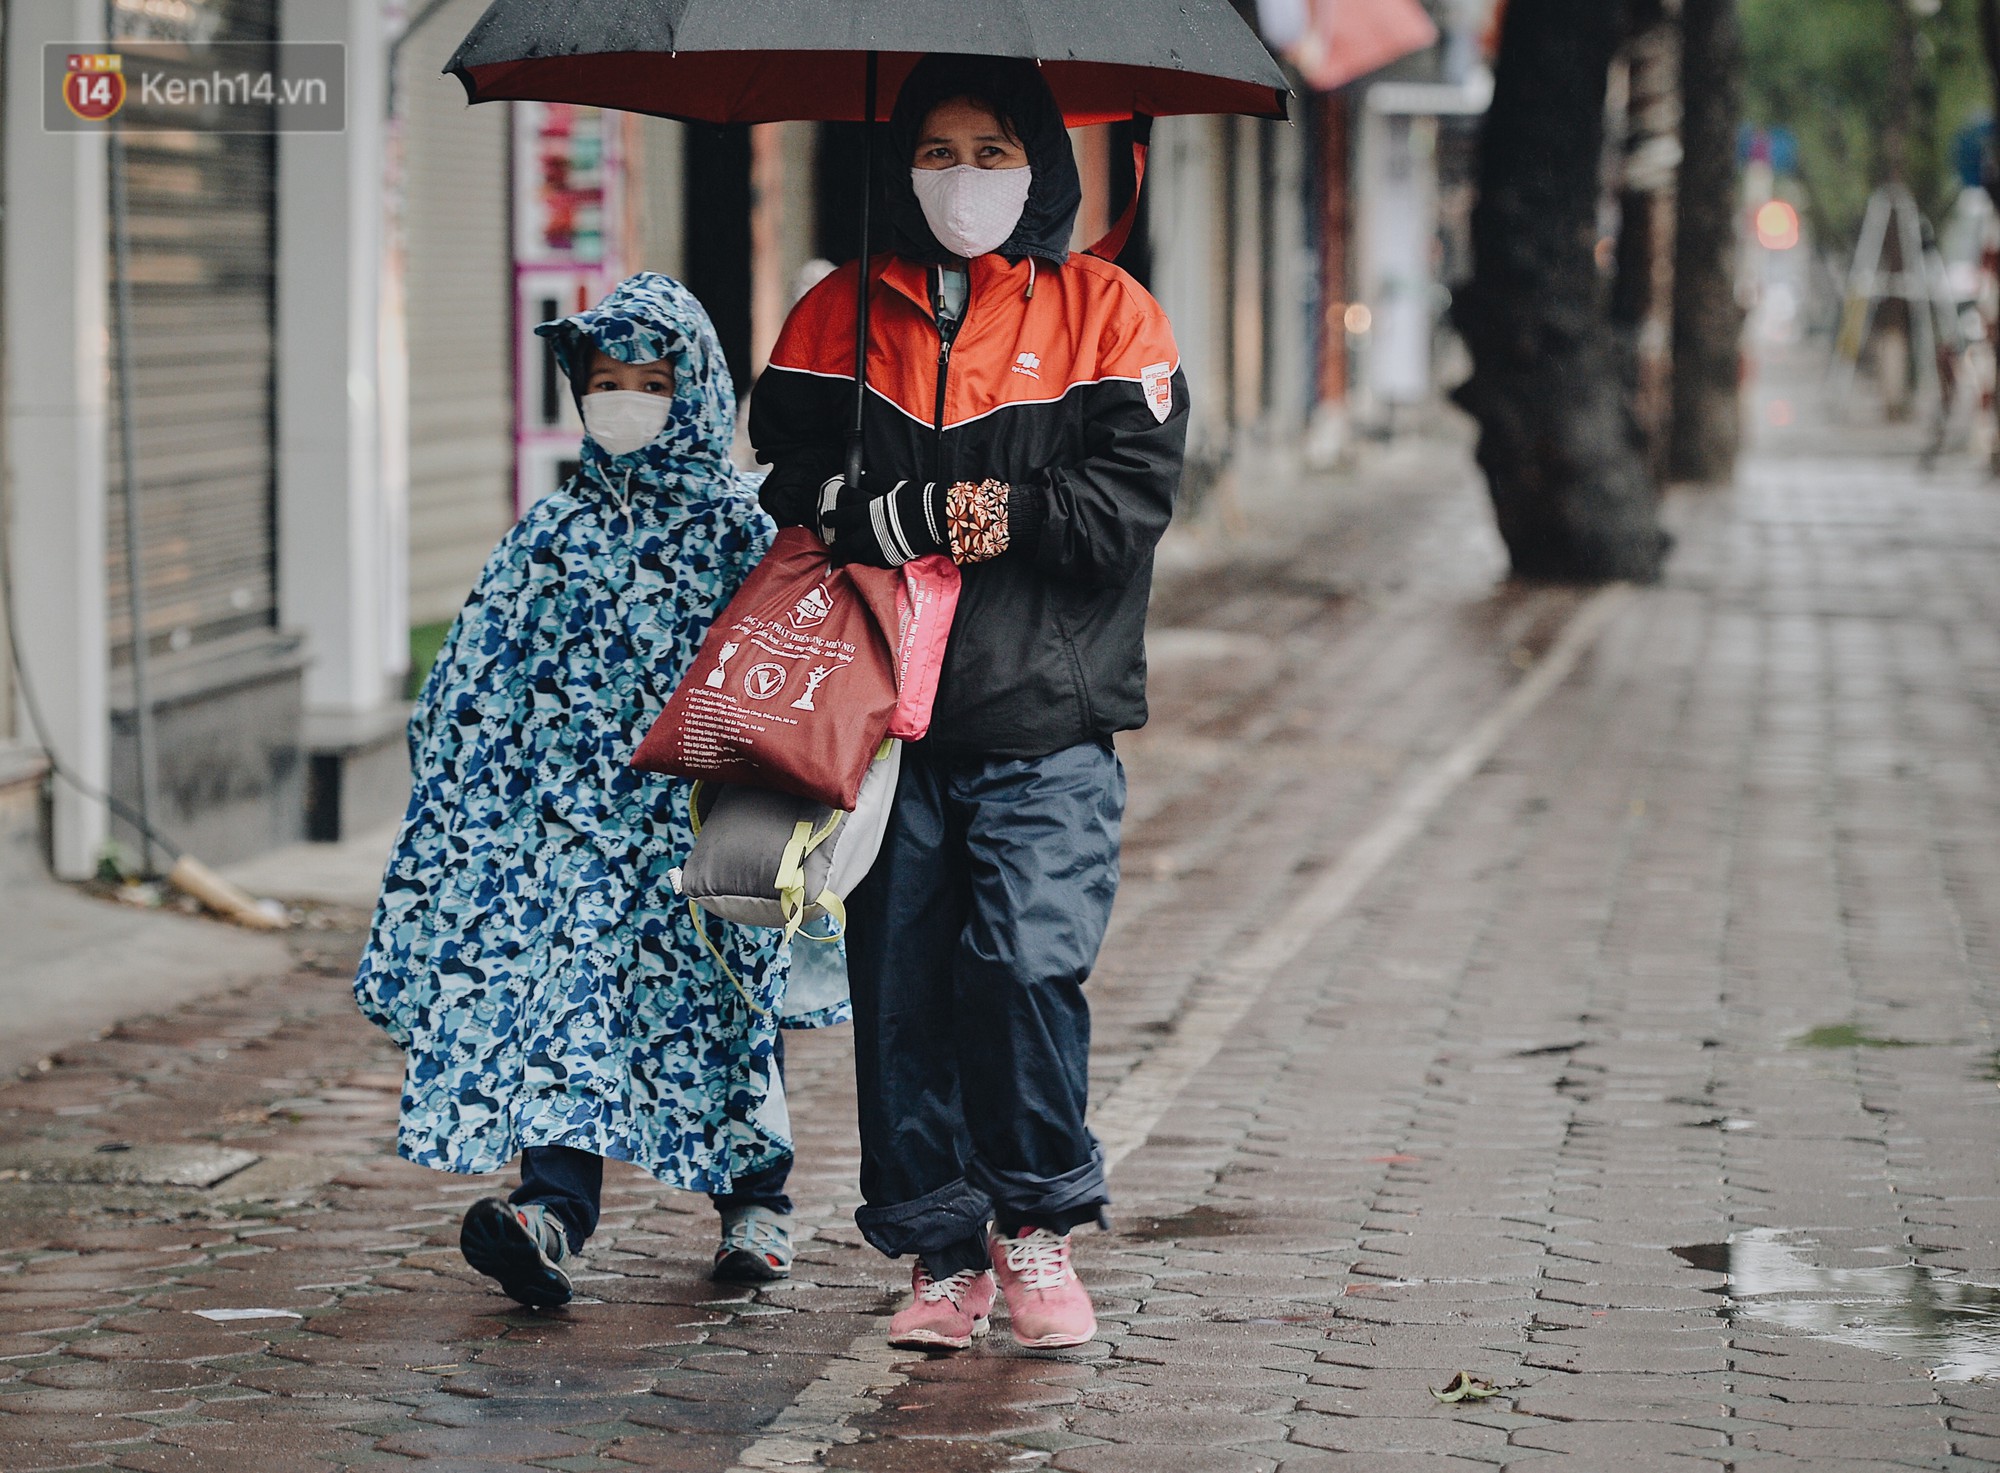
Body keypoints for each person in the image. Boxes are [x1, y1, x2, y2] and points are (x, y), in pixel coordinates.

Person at [751, 55, 1189, 1350]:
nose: (965, 179)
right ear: (898, 166)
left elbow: (1125, 511)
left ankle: (1038, 1222)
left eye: (994, 152)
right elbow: (789, 481)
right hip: (886, 730)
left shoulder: (1113, 313)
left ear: (1043, 167)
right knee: (899, 996)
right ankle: (944, 1251)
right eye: (938, 151)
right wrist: (854, 510)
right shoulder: (833, 310)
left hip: (1046, 723)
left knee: (1023, 969)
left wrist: (964, 513)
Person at [355, 273, 843, 1308]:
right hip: (567, 835)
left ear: (697, 388)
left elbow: (791, 667)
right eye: (605, 380)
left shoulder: (741, 532)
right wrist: (468, 799)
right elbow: (472, 681)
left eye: (651, 381)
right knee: (560, 1006)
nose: (624, 399)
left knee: (721, 1007)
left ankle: (755, 1200)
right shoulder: (551, 533)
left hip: (700, 827)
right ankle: (549, 1210)